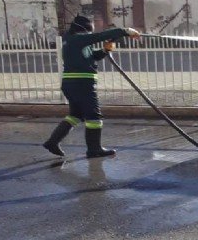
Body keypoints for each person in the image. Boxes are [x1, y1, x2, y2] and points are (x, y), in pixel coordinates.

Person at [43, 15, 140, 158]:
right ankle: (94, 149)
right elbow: (100, 36)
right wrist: (125, 31)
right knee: (94, 116)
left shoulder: (73, 41)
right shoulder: (77, 38)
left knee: (75, 115)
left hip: (72, 84)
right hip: (81, 84)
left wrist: (105, 50)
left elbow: (92, 56)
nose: (90, 34)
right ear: (84, 29)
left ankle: (52, 142)